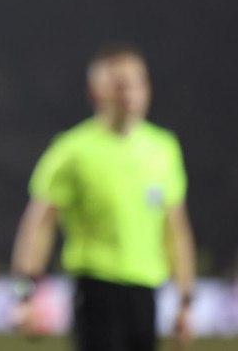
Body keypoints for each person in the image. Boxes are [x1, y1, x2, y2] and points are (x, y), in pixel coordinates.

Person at [11, 42, 196, 351]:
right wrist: (24, 295)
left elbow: (175, 229)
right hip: (96, 290)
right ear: (94, 92)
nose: (129, 93)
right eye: (119, 84)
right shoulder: (71, 150)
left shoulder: (164, 149)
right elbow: (38, 225)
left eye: (137, 82)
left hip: (146, 293)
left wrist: (186, 300)